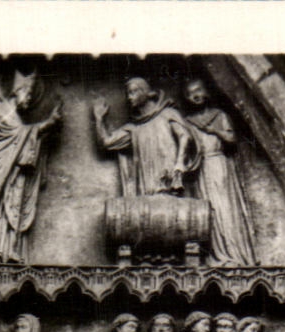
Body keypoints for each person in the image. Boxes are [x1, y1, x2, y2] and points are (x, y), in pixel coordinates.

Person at [0, 71, 62, 263]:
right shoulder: (2, 111)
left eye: (32, 96)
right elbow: (18, 134)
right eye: (27, 95)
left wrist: (47, 128)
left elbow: (24, 136)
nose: (29, 100)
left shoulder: (18, 120)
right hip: (1, 170)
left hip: (15, 170)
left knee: (14, 204)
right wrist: (48, 123)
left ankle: (9, 249)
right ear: (17, 92)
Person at [181, 77, 255, 265]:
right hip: (201, 170)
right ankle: (216, 256)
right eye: (190, 94)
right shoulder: (188, 122)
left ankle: (235, 255)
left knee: (226, 208)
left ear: (205, 92)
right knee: (209, 210)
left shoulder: (219, 115)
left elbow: (231, 139)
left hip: (219, 166)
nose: (195, 96)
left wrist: (214, 130)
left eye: (197, 90)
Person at [93, 77, 199, 197]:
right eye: (128, 93)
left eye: (133, 92)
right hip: (148, 189)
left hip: (171, 182)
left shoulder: (168, 114)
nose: (129, 97)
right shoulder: (134, 128)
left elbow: (184, 136)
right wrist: (99, 119)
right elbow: (106, 142)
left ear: (146, 93)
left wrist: (180, 163)